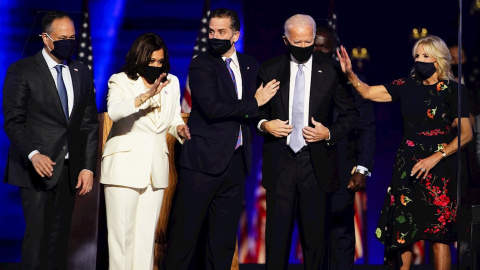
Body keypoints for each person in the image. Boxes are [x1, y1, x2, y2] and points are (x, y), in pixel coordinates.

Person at [337, 35, 473, 269]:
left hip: (440, 168)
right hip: (407, 166)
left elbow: (466, 133)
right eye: (417, 56)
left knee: (440, 236)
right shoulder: (406, 86)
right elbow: (368, 92)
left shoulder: (454, 90)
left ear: (438, 60)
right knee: (402, 233)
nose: (419, 60)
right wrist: (350, 74)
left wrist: (435, 157)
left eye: (425, 56)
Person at [162, 8, 279, 269]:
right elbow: (212, 108)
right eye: (211, 31)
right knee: (185, 237)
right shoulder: (202, 63)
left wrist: (263, 120)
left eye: (222, 32)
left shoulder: (250, 65)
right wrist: (254, 102)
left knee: (223, 241)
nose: (214, 36)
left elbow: (256, 111)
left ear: (235, 35)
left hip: (236, 162)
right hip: (202, 163)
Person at [257, 14, 358, 270]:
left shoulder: (332, 70)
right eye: (297, 42)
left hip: (317, 166)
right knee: (277, 242)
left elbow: (351, 115)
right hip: (280, 164)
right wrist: (265, 125)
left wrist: (329, 133)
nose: (303, 47)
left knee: (316, 244)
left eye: (308, 42)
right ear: (285, 40)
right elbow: (254, 112)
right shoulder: (269, 69)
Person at [2, 11, 99, 269]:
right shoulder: (21, 70)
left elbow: (89, 124)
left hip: (68, 171)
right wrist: (34, 153)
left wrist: (88, 167)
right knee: (37, 239)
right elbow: (13, 121)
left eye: (72, 37)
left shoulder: (80, 71)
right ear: (46, 39)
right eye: (62, 37)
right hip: (36, 168)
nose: (69, 42)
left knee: (60, 239)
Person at [100, 33, 190, 270]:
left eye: (160, 61)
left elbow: (170, 120)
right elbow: (115, 112)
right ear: (139, 58)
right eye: (151, 62)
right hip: (123, 168)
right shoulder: (120, 81)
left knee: (145, 238)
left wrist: (179, 128)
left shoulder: (172, 82)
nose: (156, 66)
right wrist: (145, 96)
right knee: (122, 238)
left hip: (154, 169)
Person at [314, 26, 376, 270]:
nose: (318, 51)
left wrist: (362, 168)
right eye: (314, 46)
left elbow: (366, 127)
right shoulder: (297, 77)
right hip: (307, 171)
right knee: (312, 235)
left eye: (324, 47)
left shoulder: (351, 82)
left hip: (343, 169)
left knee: (340, 235)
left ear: (334, 49)